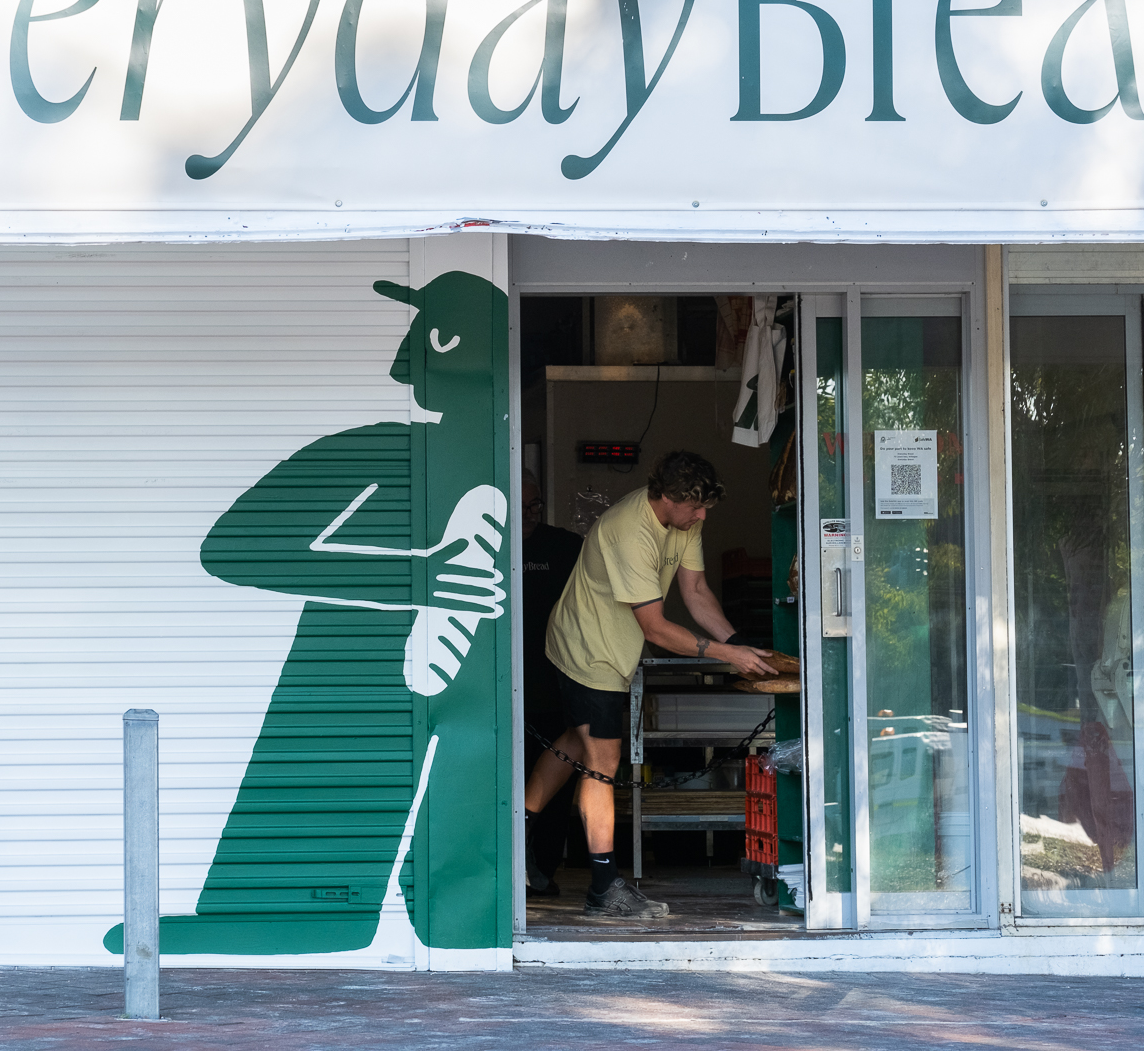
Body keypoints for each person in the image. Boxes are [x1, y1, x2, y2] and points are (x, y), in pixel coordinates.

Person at [108, 269, 512, 957]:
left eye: (425, 337)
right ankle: (308, 911)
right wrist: (419, 576)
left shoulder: (446, 456)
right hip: (347, 671)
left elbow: (234, 548)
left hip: (397, 679)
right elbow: (235, 548)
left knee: (378, 776)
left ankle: (365, 916)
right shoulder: (387, 448)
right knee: (330, 775)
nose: (399, 358)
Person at [524, 450, 778, 919]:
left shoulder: (684, 523)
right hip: (588, 646)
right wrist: (727, 655)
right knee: (603, 759)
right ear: (667, 498)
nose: (702, 517)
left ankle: (517, 833)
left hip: (614, 646)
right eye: (696, 508)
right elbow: (657, 628)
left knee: (577, 744)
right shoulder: (629, 530)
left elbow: (696, 592)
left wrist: (743, 647)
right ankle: (603, 886)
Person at [518, 471, 583, 895]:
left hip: (555, 685)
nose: (528, 516)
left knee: (556, 793)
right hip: (498, 692)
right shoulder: (480, 544)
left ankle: (542, 870)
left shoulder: (566, 547)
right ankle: (509, 868)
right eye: (520, 507)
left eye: (535, 506)